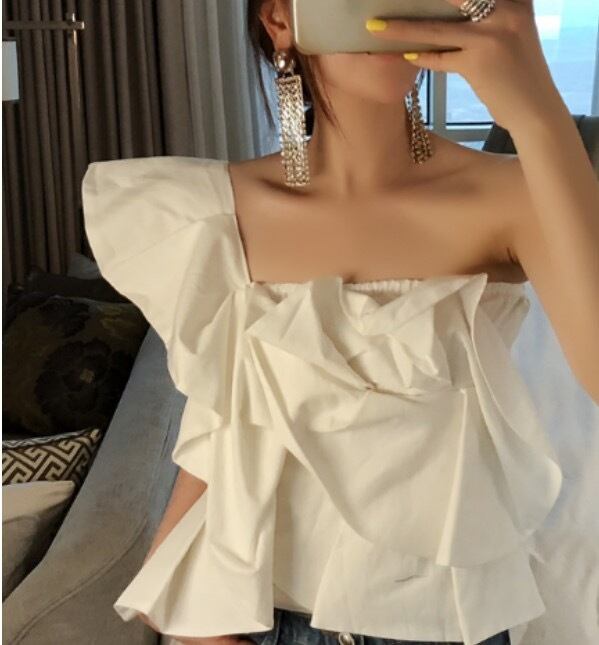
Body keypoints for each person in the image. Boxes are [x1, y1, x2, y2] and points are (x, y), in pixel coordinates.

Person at [81, 0, 599, 643]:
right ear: (281, 20)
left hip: (443, 623)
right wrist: (187, 614)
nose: (383, 11)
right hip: (265, 621)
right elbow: (226, 420)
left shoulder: (512, 195)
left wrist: (537, 111)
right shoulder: (216, 214)